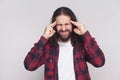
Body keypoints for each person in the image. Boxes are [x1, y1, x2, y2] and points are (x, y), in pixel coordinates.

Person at [24, 6, 105, 80]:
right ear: (54, 26)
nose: (63, 28)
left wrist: (85, 34)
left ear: (72, 24)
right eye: (59, 25)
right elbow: (29, 66)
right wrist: (44, 37)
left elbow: (100, 62)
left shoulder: (82, 44)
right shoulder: (48, 47)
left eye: (67, 24)